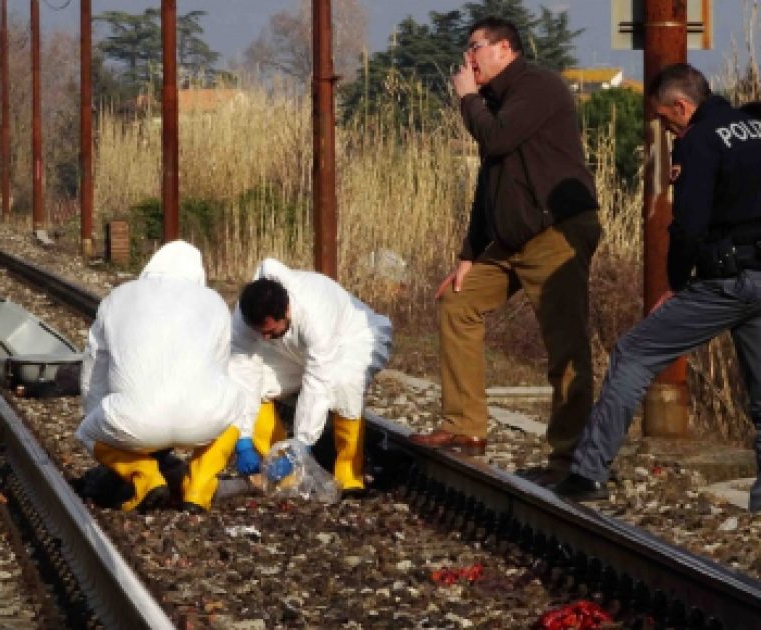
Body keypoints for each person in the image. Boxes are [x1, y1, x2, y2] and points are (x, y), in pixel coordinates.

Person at [555, 64, 761, 511]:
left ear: (682, 106)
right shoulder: (755, 126)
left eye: (667, 120)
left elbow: (687, 227)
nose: (668, 130)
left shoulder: (699, 142)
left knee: (634, 354)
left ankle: (588, 472)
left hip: (726, 282)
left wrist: (676, 284)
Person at [408, 16, 601, 487]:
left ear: (505, 48)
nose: (467, 57)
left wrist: (467, 98)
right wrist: (469, 253)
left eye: (475, 47)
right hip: (510, 240)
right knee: (459, 300)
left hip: (556, 233)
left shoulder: (538, 87)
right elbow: (489, 182)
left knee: (564, 345)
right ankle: (464, 426)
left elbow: (496, 139)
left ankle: (571, 460)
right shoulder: (495, 101)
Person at [76, 240, 252, 513]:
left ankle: (144, 476)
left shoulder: (118, 297)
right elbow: (220, 370)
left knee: (86, 432)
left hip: (135, 422)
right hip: (202, 422)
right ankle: (198, 489)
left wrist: (95, 414)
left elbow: (95, 366)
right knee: (237, 409)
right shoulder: (214, 302)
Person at [229, 259, 392, 498]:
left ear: (286, 310)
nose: (263, 338)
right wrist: (242, 438)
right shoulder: (245, 317)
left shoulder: (314, 311)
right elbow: (242, 374)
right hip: (295, 350)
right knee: (260, 385)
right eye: (259, 332)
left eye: (269, 331)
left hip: (353, 338)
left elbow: (318, 380)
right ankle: (280, 471)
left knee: (343, 384)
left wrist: (302, 442)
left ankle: (349, 476)